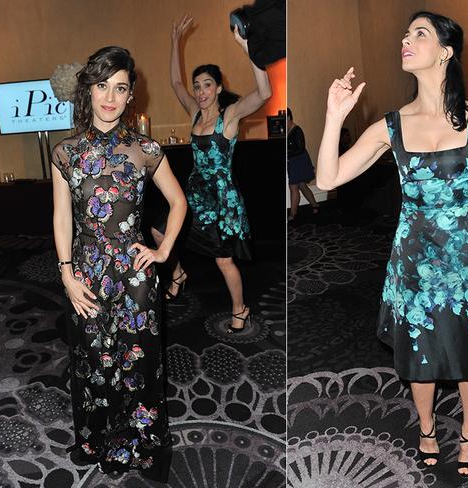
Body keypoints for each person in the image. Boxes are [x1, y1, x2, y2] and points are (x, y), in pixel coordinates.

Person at [315, 11, 468, 480]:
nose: (405, 39)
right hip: (415, 258)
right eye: (404, 33)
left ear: (445, 52)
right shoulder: (391, 126)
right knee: (420, 350)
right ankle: (424, 428)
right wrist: (334, 117)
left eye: (419, 33)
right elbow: (326, 178)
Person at [51, 46, 187, 482]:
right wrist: (66, 273)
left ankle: (135, 442)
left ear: (131, 97)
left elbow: (178, 201)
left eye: (121, 88)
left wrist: (162, 254)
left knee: (139, 362)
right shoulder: (65, 153)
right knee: (92, 357)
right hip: (87, 272)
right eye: (102, 85)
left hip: (134, 276)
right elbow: (61, 217)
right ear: (88, 91)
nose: (110, 96)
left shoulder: (145, 149)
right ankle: (95, 438)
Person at [151, 14, 272, 332]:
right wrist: (175, 42)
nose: (200, 92)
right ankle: (177, 273)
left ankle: (240, 307)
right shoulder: (194, 113)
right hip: (193, 193)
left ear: (218, 88)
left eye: (207, 85)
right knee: (160, 232)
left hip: (220, 198)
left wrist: (250, 49)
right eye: (198, 87)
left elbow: (263, 94)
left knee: (223, 260)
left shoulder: (229, 116)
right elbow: (176, 83)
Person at [287, 107, 319, 221]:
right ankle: (315, 205)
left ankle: (292, 214)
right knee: (301, 185)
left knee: (293, 187)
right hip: (294, 161)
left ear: (289, 117)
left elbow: (300, 148)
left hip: (298, 161)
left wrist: (286, 153)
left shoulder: (297, 130)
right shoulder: (288, 130)